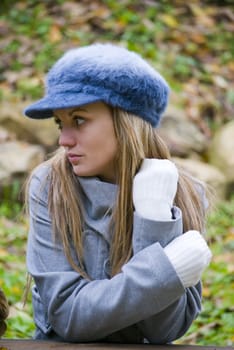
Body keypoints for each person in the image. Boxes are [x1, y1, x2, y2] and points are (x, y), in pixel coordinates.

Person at [23, 43, 212, 344]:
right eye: (60, 122)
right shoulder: (49, 186)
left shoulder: (186, 193)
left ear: (129, 122)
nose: (63, 139)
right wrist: (165, 272)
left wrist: (155, 215)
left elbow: (163, 331)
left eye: (79, 120)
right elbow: (69, 316)